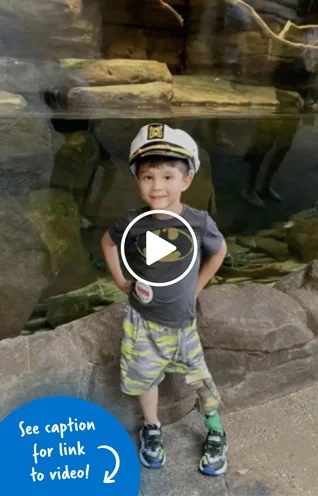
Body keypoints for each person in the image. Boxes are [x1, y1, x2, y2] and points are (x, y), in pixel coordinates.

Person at [101, 122, 228, 476]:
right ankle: (152, 426)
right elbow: (108, 244)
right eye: (147, 176)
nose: (157, 186)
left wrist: (196, 288)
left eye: (168, 176)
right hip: (142, 322)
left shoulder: (199, 223)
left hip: (183, 323)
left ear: (187, 180)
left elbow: (218, 253)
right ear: (137, 180)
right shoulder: (132, 223)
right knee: (144, 377)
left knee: (197, 377)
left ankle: (215, 429)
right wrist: (121, 281)